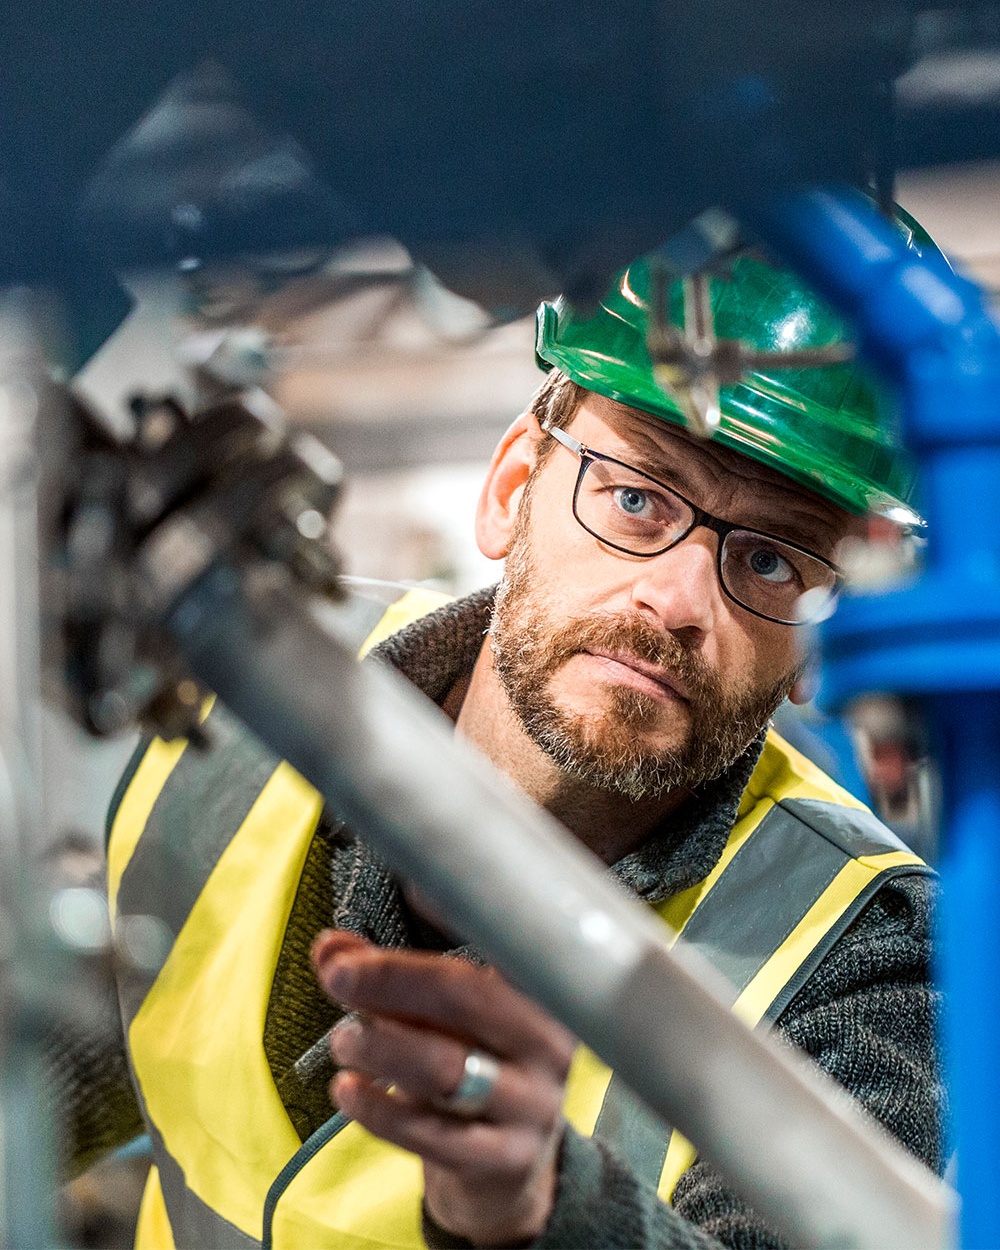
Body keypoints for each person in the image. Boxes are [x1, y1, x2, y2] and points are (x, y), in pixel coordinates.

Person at [97, 228, 943, 1250]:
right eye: (635, 497)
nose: (674, 599)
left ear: (820, 638)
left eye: (768, 562)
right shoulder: (243, 692)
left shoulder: (865, 952)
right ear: (510, 489)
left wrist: (545, 1208)